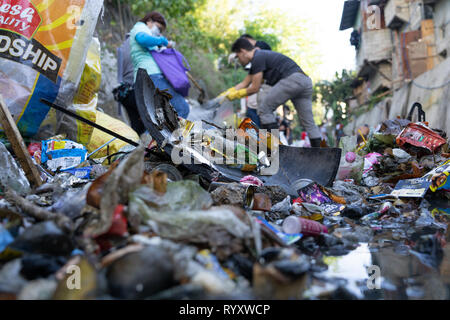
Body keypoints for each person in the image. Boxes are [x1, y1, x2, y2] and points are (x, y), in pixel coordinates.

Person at [221, 38, 322, 147]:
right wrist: (225, 95)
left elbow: (255, 88)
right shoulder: (261, 57)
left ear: (243, 51)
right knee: (308, 122)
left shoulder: (257, 57)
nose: (239, 61)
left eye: (238, 56)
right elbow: (244, 83)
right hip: (304, 81)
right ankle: (320, 154)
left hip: (292, 79)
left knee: (264, 109)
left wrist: (235, 95)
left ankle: (277, 150)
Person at [129, 11, 190, 119]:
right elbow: (142, 39)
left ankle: (160, 135)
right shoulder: (140, 27)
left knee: (157, 117)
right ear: (149, 21)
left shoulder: (147, 34)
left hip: (145, 76)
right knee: (182, 108)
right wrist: (163, 41)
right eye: (158, 28)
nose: (158, 32)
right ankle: (174, 135)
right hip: (151, 75)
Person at [113, 33, 146, 135]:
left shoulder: (122, 48)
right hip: (135, 91)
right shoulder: (139, 49)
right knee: (151, 119)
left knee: (136, 125)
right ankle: (142, 147)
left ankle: (132, 146)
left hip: (124, 93)